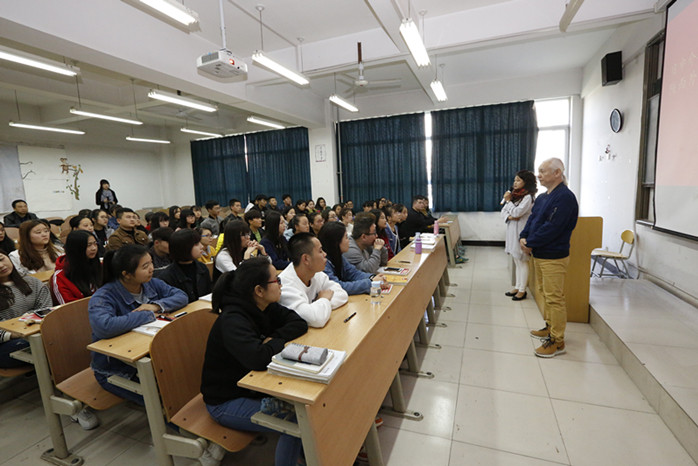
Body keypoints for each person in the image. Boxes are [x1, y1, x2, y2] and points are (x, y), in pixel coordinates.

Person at [201, 258, 306, 466]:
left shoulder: (265, 306)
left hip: (251, 389)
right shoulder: (233, 319)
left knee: (306, 407)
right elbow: (257, 359)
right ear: (259, 290)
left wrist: (273, 339)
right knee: (296, 421)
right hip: (226, 401)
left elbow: (298, 323)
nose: (281, 284)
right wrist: (275, 343)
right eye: (276, 280)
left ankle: (309, 455)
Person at [88, 244, 188, 404]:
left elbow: (182, 296)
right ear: (126, 274)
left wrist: (156, 306)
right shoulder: (104, 296)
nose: (151, 269)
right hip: (116, 368)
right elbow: (104, 326)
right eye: (145, 266)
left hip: (149, 354)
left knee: (186, 379)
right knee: (167, 398)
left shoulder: (151, 283)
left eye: (151, 263)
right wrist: (147, 315)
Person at [519, 158, 578, 358]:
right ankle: (550, 327)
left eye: (543, 171)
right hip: (540, 253)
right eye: (539, 171)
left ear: (557, 173)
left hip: (553, 255)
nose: (539, 175)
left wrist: (530, 242)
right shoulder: (543, 197)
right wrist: (523, 237)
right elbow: (533, 219)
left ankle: (557, 341)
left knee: (554, 298)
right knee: (545, 293)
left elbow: (553, 227)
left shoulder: (565, 197)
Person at [279, 233, 348, 328]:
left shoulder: (316, 273)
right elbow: (317, 320)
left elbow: (342, 295)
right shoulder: (285, 286)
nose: (325, 254)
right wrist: (324, 299)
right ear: (306, 259)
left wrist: (318, 305)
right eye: (320, 251)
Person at [0, 251, 51, 368]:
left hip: (37, 333)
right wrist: (14, 334)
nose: (1, 265)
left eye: (1, 259)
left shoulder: (33, 283)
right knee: (37, 345)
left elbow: (45, 311)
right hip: (7, 343)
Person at [319, 222, 383, 295]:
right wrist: (370, 282)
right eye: (346, 237)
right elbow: (338, 287)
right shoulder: (323, 262)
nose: (349, 241)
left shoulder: (338, 256)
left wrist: (372, 277)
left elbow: (353, 273)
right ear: (336, 242)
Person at [502, 170, 537, 301]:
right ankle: (517, 287)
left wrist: (509, 203)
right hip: (512, 230)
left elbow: (517, 213)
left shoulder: (528, 197)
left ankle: (522, 290)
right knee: (516, 261)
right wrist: (510, 215)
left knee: (522, 261)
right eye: (514, 180)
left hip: (521, 232)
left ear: (526, 182)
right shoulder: (515, 196)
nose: (515, 183)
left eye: (518, 180)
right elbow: (504, 212)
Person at [155, 229, 211, 303]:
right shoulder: (167, 277)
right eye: (196, 244)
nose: (201, 246)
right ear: (184, 248)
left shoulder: (202, 268)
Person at [50, 230, 101, 305]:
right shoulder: (60, 277)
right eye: (89, 245)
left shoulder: (100, 266)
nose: (94, 248)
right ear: (76, 248)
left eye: (95, 244)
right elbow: (69, 307)